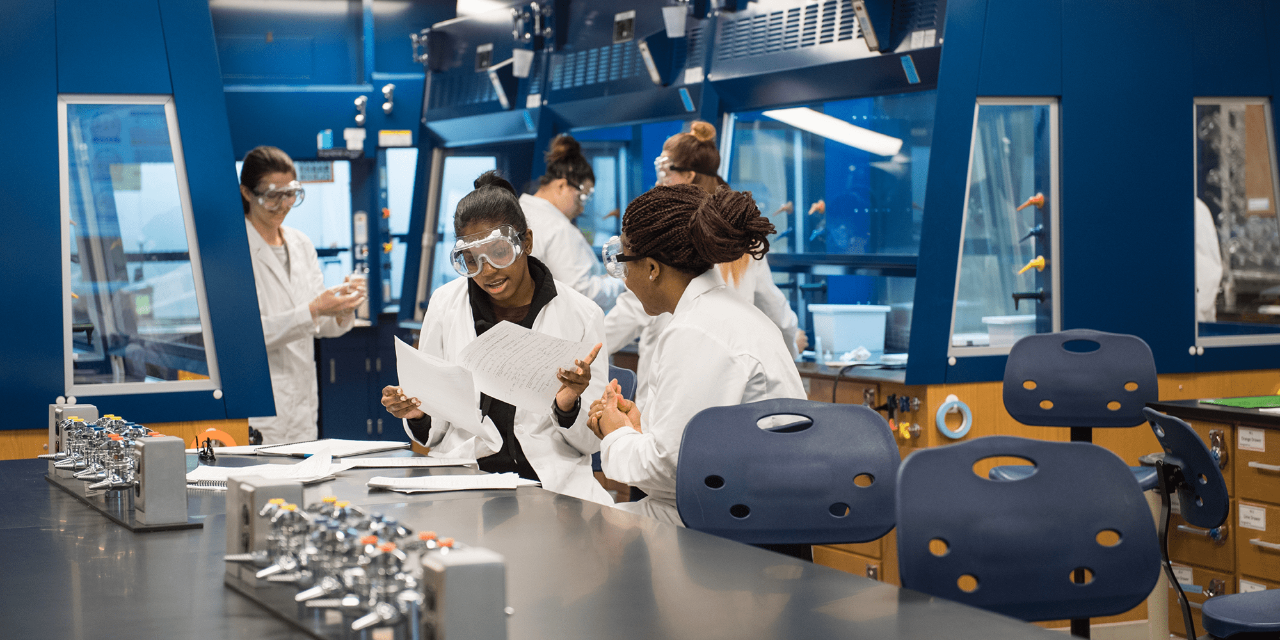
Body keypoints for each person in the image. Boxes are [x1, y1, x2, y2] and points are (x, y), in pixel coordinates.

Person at [381, 171, 612, 505]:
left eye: (499, 253)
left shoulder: (581, 314)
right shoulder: (446, 305)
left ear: (526, 243)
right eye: (472, 260)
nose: (487, 271)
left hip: (547, 482)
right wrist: (416, 413)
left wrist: (568, 404)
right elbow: (436, 432)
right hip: (465, 477)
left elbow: (590, 444)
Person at [587, 184, 807, 525]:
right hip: (739, 512)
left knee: (580, 532)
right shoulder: (727, 313)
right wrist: (640, 428)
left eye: (624, 263)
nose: (625, 280)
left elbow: (670, 471)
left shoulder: (697, 331)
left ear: (652, 268)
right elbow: (692, 448)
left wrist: (616, 433)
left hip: (729, 531)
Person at [606, 121, 806, 409]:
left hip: (680, 387)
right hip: (725, 397)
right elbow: (772, 304)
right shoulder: (732, 238)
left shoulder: (672, 243)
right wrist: (791, 339)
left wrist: (582, 353)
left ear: (688, 175)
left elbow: (632, 308)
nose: (658, 182)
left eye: (665, 172)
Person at [240, 146, 366, 445]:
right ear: (247, 193)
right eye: (273, 195)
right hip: (261, 405)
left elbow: (321, 326)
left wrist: (343, 307)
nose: (283, 204)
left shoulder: (301, 243)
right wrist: (314, 309)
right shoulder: (236, 250)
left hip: (302, 404)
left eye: (291, 193)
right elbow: (248, 337)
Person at [521, 134, 626, 312]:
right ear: (562, 186)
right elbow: (581, 293)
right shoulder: (557, 228)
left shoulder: (519, 210)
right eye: (582, 197)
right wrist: (622, 281)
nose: (581, 209)